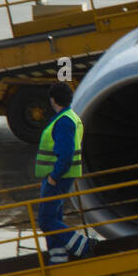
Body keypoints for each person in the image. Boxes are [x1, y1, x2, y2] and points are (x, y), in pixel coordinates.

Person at [35, 81, 89, 263]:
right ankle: (58, 258)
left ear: (52, 100)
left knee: (46, 219)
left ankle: (81, 245)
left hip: (58, 178)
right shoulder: (71, 117)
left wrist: (53, 177)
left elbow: (65, 154)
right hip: (63, 176)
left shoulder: (63, 121)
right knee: (54, 217)